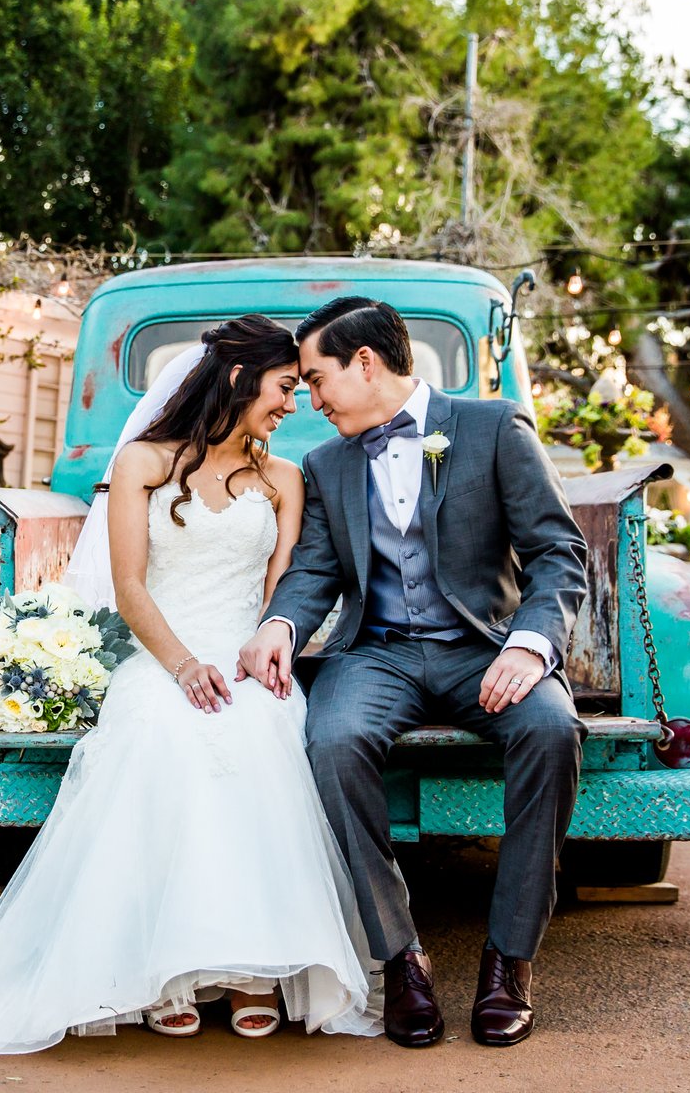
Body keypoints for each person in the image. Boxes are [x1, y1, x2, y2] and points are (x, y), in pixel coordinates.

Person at [0, 315, 382, 1057]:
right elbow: (131, 588)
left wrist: (261, 655)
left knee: (261, 729)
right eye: (283, 387)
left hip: (244, 657)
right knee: (159, 730)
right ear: (239, 379)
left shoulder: (283, 478)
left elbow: (283, 594)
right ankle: (163, 974)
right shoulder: (142, 463)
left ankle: (253, 970)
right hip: (161, 654)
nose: (293, 403)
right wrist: (181, 665)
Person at [239, 296, 588, 1048]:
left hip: (485, 649)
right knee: (332, 741)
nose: (312, 400)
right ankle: (400, 958)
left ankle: (510, 960)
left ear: (365, 363)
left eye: (318, 379)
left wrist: (529, 645)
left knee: (552, 731)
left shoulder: (494, 427)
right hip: (379, 654)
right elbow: (315, 570)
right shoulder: (328, 464)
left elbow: (558, 553)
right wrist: (279, 624)